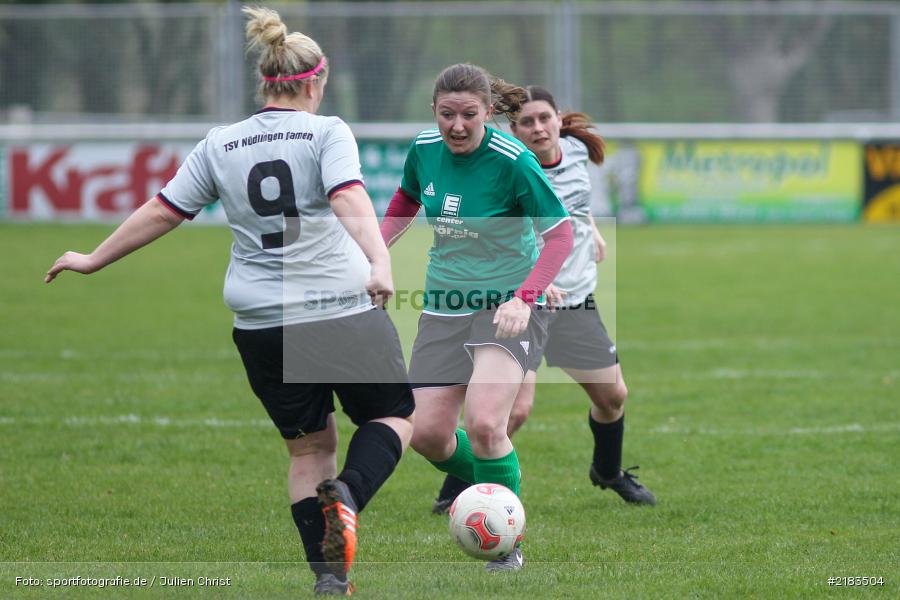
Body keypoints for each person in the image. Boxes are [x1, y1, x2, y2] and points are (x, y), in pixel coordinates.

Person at [45, 6, 415, 595]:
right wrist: (379, 258)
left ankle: (328, 579)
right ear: (316, 80)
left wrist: (93, 257)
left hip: (262, 321)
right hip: (339, 309)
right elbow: (347, 195)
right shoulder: (327, 131)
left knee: (307, 450)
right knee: (393, 416)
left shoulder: (221, 142)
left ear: (265, 81)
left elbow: (163, 210)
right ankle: (347, 495)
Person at [380, 64, 573, 572]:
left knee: (486, 422)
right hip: (443, 304)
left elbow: (559, 235)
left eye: (469, 114)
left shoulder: (514, 161)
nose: (457, 125)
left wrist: (524, 297)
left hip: (506, 305)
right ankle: (493, 489)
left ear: (489, 112)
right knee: (425, 433)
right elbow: (405, 199)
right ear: (434, 113)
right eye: (447, 115)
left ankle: (507, 541)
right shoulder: (423, 149)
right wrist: (374, 254)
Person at [431, 85, 656, 514]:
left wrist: (594, 229)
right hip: (523, 304)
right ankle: (459, 489)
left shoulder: (572, 152)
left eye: (544, 119)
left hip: (574, 303)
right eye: (527, 123)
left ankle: (607, 472)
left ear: (558, 118)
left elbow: (570, 204)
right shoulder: (511, 167)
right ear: (513, 131)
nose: (538, 128)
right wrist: (529, 281)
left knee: (612, 398)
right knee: (511, 413)